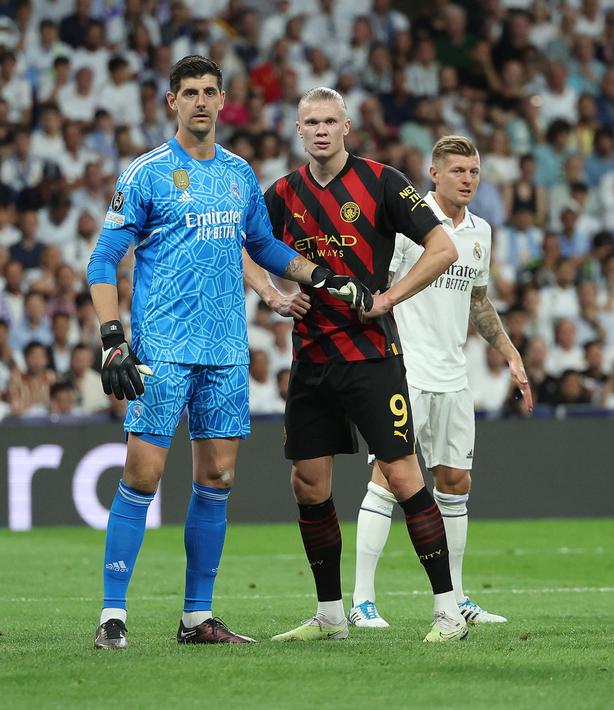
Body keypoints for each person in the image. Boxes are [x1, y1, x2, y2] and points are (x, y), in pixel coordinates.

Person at [85, 55, 320, 650]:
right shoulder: (146, 173)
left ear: (222, 101)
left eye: (209, 92)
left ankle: (197, 617)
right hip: (162, 349)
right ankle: (114, 614)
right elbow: (101, 260)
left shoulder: (240, 174)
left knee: (217, 477)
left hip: (225, 351)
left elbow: (263, 245)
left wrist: (319, 277)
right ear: (171, 102)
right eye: (188, 92)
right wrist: (113, 337)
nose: (199, 102)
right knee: (143, 475)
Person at [260, 87, 464, 644]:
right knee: (308, 484)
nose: (321, 130)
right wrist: (275, 295)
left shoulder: (382, 181)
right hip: (312, 359)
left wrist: (388, 297)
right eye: (310, 122)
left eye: (330, 120)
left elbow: (444, 247)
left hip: (372, 357)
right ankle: (330, 616)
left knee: (402, 476)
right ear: (298, 130)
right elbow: (242, 247)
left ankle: (448, 612)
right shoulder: (281, 193)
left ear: (347, 125)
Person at [349, 134, 533, 629]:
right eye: (458, 171)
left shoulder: (481, 232)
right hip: (405, 372)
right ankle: (362, 601)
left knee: (455, 484)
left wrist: (510, 353)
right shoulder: (407, 225)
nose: (468, 179)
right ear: (435, 174)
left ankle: (455, 598)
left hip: (454, 375)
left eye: (473, 171)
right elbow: (376, 290)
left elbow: (477, 300)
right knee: (388, 480)